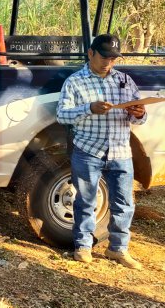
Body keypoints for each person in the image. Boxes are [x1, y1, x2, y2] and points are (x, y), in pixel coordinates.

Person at [57, 34, 146, 270]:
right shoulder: (75, 82)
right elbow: (61, 115)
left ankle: (118, 249)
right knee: (86, 200)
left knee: (125, 203)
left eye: (113, 58)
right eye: (104, 56)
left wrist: (139, 113)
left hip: (120, 152)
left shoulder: (125, 81)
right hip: (88, 150)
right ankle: (83, 247)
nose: (109, 62)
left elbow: (141, 118)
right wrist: (89, 108)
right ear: (90, 53)